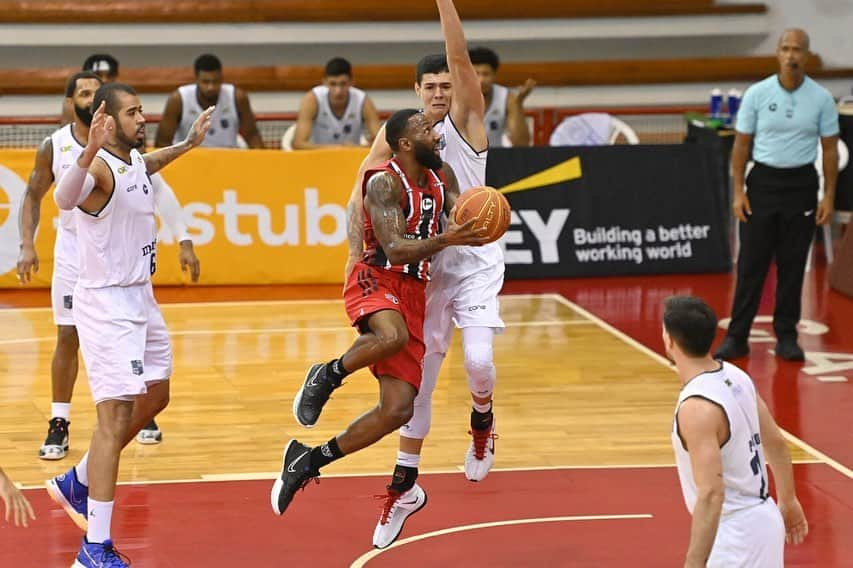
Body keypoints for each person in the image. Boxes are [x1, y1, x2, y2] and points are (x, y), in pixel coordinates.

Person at [337, 0, 506, 548]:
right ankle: (403, 487)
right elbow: (359, 187)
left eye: (445, 84)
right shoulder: (402, 136)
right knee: (418, 385)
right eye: (429, 85)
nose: (439, 91)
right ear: (416, 92)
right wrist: (354, 257)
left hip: (475, 262)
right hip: (425, 269)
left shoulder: (466, 121)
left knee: (479, 361)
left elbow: (460, 58)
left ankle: (482, 421)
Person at [270, 109, 489, 517]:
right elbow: (396, 248)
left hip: (415, 293)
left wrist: (486, 216)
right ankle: (328, 373)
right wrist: (449, 237)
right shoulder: (385, 181)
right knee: (393, 336)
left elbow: (463, 212)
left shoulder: (443, 178)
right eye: (427, 129)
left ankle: (308, 460)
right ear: (405, 144)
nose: (437, 134)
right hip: (377, 276)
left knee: (398, 410)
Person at [46, 83, 213, 567]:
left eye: (143, 111)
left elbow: (147, 165)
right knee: (113, 418)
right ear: (109, 120)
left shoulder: (132, 162)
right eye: (134, 113)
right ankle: (93, 547)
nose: (143, 119)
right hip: (107, 305)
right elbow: (62, 197)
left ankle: (78, 479)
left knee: (157, 395)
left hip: (142, 297)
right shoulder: (96, 166)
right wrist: (91, 147)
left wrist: (188, 145)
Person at [17, 73, 199, 459]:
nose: (87, 97)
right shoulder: (59, 146)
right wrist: (27, 245)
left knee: (146, 374)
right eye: (81, 92)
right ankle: (60, 420)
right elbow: (43, 196)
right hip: (78, 257)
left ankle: (132, 410)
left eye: (92, 91)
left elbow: (153, 177)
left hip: (124, 266)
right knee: (67, 337)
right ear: (72, 102)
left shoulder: (129, 154)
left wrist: (183, 236)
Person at [715, 28, 839, 362]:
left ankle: (786, 336)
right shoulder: (757, 94)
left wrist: (828, 196)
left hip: (800, 184)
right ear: (777, 54)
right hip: (763, 183)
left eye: (797, 50)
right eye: (785, 48)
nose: (791, 55)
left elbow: (829, 150)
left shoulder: (822, 99)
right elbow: (741, 145)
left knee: (792, 264)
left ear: (807, 55)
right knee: (752, 264)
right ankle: (737, 336)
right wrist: (738, 191)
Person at [662, 295, 808, 567]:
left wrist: (694, 562)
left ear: (669, 341)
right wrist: (787, 499)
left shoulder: (696, 408)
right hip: (763, 523)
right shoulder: (735, 375)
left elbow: (711, 494)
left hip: (733, 537)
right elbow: (775, 442)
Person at [155, 53, 263, 148]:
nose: (210, 87)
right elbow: (162, 142)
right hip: (189, 160)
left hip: (227, 158)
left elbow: (252, 135)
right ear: (196, 79)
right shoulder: (178, 100)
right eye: (205, 82)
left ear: (221, 78)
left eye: (215, 81)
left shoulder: (237, 98)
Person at [291, 57, 382, 149]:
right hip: (320, 158)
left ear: (351, 82)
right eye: (333, 84)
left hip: (353, 158)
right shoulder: (313, 99)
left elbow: (382, 142)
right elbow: (298, 144)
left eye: (343, 84)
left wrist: (358, 148)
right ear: (325, 82)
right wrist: (335, 149)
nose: (338, 91)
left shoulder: (362, 100)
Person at [469, 46, 535, 148]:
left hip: (495, 158)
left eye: (486, 74)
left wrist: (518, 104)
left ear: (494, 75)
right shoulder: (453, 96)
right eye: (476, 74)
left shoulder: (506, 97)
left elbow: (522, 143)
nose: (481, 80)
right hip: (462, 159)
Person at [60, 54, 120, 126]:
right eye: (98, 74)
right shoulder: (74, 102)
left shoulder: (122, 98)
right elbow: (67, 131)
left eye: (110, 75)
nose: (104, 80)